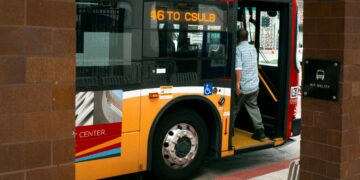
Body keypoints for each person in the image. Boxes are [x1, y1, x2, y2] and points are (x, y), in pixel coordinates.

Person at [234, 29, 266, 140]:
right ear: (247, 37)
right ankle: (260, 130)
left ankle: (228, 131)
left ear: (237, 38)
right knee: (253, 106)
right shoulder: (253, 48)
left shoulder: (238, 49)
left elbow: (238, 68)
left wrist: (237, 84)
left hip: (243, 86)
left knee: (233, 107)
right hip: (254, 85)